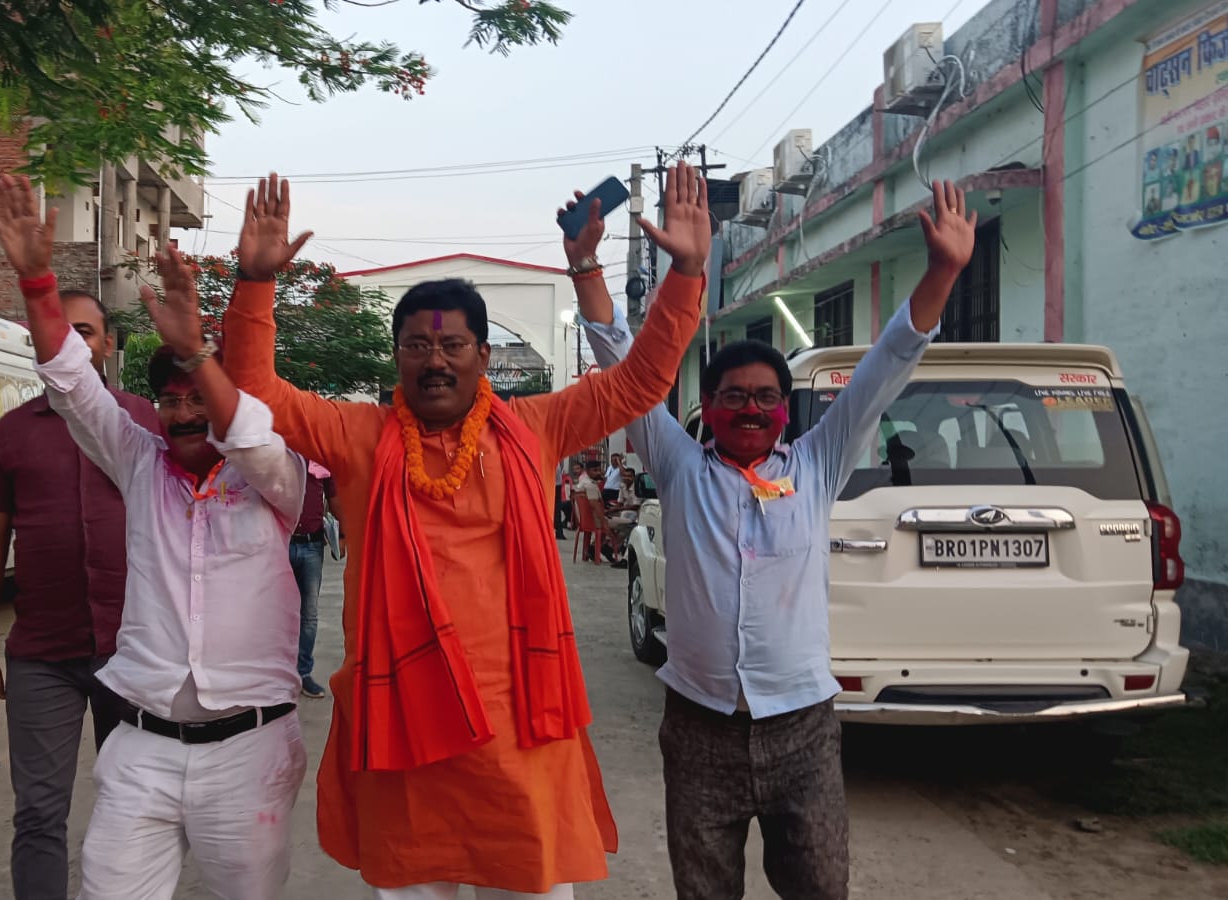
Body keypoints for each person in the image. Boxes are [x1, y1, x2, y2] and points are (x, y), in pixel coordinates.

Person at [222, 164, 712, 897]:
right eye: (417, 346)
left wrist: (687, 272)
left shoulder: (537, 426)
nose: (435, 360)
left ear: (484, 356)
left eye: (453, 346)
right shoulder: (358, 435)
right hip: (405, 728)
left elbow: (643, 381)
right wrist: (255, 283)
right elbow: (256, 392)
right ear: (397, 356)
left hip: (521, 730)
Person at [582, 180, 977, 900]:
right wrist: (586, 268)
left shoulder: (819, 464)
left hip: (803, 730)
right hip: (699, 727)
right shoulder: (678, 465)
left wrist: (944, 272)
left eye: (766, 397)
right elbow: (621, 365)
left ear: (785, 413)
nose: (751, 409)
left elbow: (887, 366)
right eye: (733, 396)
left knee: (821, 887)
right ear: (708, 408)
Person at [0, 175, 308, 900]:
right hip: (141, 748)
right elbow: (73, 385)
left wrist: (196, 351)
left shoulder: (273, 476)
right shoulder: (137, 460)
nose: (183, 412)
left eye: (197, 397)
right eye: (169, 399)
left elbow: (247, 434)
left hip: (250, 752)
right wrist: (37, 282)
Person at [0, 289, 160, 900]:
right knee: (39, 813)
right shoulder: (12, 433)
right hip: (43, 655)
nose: (71, 342)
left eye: (85, 332)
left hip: (134, 652)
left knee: (137, 808)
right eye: (58, 331)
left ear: (107, 344)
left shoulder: (144, 421)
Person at [294, 459, 340, 699]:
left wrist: (342, 534)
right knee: (277, 613)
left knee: (309, 614)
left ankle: (303, 673)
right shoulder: (282, 456)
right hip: (282, 543)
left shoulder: (321, 461)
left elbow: (334, 498)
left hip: (312, 546)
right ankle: (279, 673)